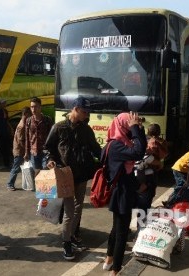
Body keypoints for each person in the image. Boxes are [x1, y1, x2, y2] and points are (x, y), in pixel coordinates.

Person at [44, 96, 102, 260]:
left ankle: (73, 236)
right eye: (84, 111)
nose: (86, 115)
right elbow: (48, 148)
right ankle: (66, 242)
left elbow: (96, 149)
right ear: (75, 109)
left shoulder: (85, 129)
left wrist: (111, 157)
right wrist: (50, 161)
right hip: (66, 176)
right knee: (70, 211)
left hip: (82, 175)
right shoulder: (59, 127)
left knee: (78, 209)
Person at [102, 112, 147, 275]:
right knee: (122, 232)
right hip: (121, 194)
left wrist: (139, 129)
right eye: (128, 123)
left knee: (117, 228)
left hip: (123, 191)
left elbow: (141, 147)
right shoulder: (116, 146)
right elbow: (139, 153)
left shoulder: (121, 142)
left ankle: (109, 258)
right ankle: (116, 270)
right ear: (121, 124)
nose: (131, 126)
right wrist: (135, 128)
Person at [135, 123, 168, 218]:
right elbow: (150, 158)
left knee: (142, 200)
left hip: (139, 173)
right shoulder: (160, 142)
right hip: (149, 175)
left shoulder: (142, 141)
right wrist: (158, 162)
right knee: (145, 201)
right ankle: (141, 224)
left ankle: (140, 222)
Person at [6, 107, 32, 191]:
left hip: (20, 150)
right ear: (25, 114)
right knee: (16, 168)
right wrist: (26, 152)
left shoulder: (24, 123)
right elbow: (21, 141)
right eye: (29, 114)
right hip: (19, 151)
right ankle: (10, 184)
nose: (31, 116)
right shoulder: (22, 126)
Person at [24, 97, 54, 172]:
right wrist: (26, 152)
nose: (33, 109)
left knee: (45, 173)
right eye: (32, 107)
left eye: (35, 107)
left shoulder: (47, 120)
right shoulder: (28, 121)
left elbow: (53, 137)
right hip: (34, 153)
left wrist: (52, 153)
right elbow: (27, 138)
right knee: (36, 175)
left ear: (40, 107)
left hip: (45, 152)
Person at [0, 98, 13, 167]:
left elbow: (6, 121)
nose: (5, 104)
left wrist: (11, 128)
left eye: (5, 103)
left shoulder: (6, 111)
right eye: (3, 103)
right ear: (0, 104)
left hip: (5, 132)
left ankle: (7, 164)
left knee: (6, 148)